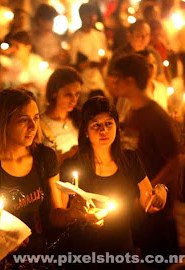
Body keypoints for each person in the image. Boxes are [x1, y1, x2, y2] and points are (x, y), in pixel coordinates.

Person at [56, 96, 167, 269]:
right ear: (85, 131)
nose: (103, 131)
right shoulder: (73, 166)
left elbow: (149, 203)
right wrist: (74, 213)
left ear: (116, 125)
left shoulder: (129, 160)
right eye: (96, 125)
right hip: (83, 256)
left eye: (109, 123)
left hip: (121, 251)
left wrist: (160, 191)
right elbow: (57, 217)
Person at [0, 88, 60, 261]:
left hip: (40, 257)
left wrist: (74, 213)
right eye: (23, 120)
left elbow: (56, 212)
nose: (33, 127)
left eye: (35, 118)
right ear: (4, 122)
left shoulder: (44, 157)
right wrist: (3, 241)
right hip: (0, 260)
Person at [110, 53, 180, 264]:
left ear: (130, 81)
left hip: (155, 209)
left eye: (117, 78)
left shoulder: (156, 117)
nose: (114, 83)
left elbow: (175, 161)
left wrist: (149, 190)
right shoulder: (133, 112)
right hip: (138, 205)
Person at [40, 67, 82, 165]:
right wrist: (65, 156)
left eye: (77, 94)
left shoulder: (79, 119)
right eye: (68, 95)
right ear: (54, 93)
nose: (74, 100)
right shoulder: (41, 124)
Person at [69, 3, 108, 104]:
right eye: (88, 15)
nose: (92, 18)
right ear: (82, 16)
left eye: (94, 15)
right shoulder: (76, 38)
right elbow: (73, 65)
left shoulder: (99, 35)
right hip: (84, 85)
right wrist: (86, 65)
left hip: (99, 83)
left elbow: (104, 56)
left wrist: (103, 62)